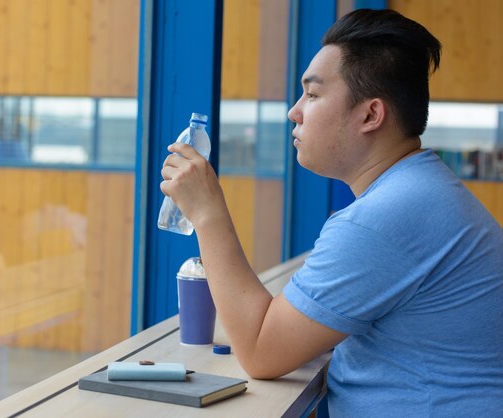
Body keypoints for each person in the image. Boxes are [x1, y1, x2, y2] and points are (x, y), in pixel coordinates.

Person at [160, 8, 503, 417]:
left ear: (371, 115)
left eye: (313, 94)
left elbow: (260, 351)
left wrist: (207, 213)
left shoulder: (384, 218)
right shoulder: (419, 190)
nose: (295, 110)